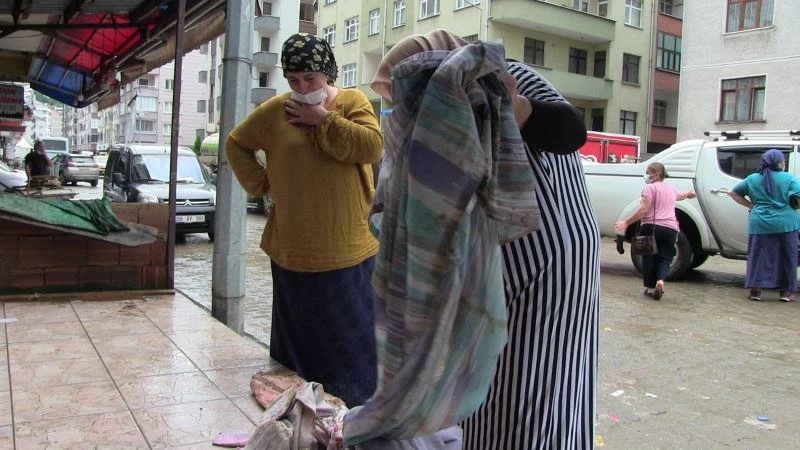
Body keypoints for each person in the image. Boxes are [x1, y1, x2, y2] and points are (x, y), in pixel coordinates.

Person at [224, 33, 384, 406]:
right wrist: (261, 183)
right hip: (293, 249)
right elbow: (236, 143)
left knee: (352, 343)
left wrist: (323, 119)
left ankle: (352, 421)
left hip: (348, 249)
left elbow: (372, 147)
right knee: (298, 344)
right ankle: (300, 413)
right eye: (294, 80)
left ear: (327, 73)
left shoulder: (352, 102)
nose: (302, 87)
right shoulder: (275, 111)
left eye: (310, 79)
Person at [461, 62, 600, 450]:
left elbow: (573, 129)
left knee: (534, 396)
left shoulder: (503, 77)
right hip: (507, 263)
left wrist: (518, 108)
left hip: (549, 265)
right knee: (493, 396)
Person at [615, 162, 696, 300]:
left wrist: (626, 222)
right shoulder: (670, 189)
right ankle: (660, 282)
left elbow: (643, 210)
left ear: (657, 174)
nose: (647, 175)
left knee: (648, 257)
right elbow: (681, 195)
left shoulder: (649, 188)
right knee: (665, 258)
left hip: (651, 227)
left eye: (648, 172)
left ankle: (651, 288)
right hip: (671, 229)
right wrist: (689, 193)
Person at [728, 149, 800, 302]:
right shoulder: (788, 178)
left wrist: (750, 205)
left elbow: (734, 193)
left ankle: (756, 290)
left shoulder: (753, 179)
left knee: (758, 256)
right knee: (786, 257)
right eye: (783, 161)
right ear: (779, 163)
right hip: (786, 224)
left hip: (759, 223)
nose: (784, 163)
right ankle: (785, 292)